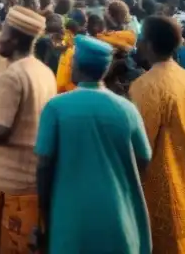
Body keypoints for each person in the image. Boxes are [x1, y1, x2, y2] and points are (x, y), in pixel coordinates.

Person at [34, 35, 152, 254]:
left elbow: (44, 165)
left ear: (77, 66)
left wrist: (43, 213)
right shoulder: (127, 109)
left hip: (70, 218)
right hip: (118, 216)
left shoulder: (56, 108)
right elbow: (144, 159)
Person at [0, 6, 56, 254]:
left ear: (15, 38)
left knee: (9, 244)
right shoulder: (44, 72)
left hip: (12, 180)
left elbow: (1, 131)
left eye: (4, 32)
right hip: (33, 176)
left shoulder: (12, 75)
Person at [129, 16, 185, 254]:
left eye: (140, 39)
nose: (137, 45)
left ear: (149, 45)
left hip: (160, 207)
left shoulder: (146, 86)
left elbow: (139, 150)